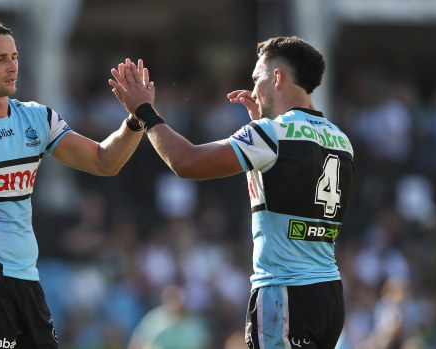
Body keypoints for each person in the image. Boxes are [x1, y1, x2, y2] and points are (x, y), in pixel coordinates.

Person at [0, 13, 146, 347]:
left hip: (27, 280)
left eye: (15, 57)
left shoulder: (37, 118)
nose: (12, 67)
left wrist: (135, 119)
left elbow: (103, 161)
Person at [109, 36, 354, 349]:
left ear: (277, 78)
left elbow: (186, 162)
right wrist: (263, 122)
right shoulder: (340, 139)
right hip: (329, 294)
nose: (253, 90)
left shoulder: (270, 135)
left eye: (257, 78)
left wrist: (144, 111)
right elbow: (295, 181)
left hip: (284, 293)